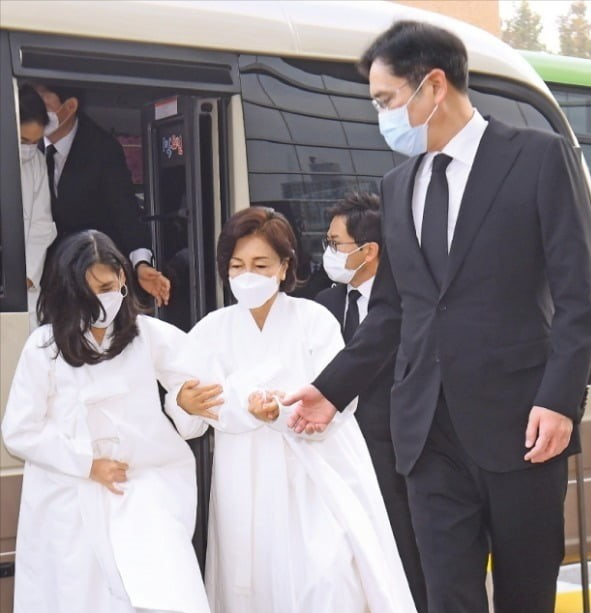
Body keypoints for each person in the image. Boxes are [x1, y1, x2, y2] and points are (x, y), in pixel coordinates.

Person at [284, 20, 591, 613]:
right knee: (445, 598)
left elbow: (579, 295)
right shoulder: (398, 186)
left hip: (522, 427)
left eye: (386, 99)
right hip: (426, 434)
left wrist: (558, 401)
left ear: (433, 85)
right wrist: (331, 389)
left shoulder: (537, 158)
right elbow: (396, 311)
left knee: (526, 597)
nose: (381, 116)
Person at [165, 207, 417, 613]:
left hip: (314, 471)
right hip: (243, 476)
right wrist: (184, 402)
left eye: (260, 264)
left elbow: (341, 397)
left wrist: (276, 410)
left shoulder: (314, 319)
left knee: (327, 579)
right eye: (237, 265)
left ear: (284, 267)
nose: (247, 274)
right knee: (252, 583)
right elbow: (189, 405)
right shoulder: (212, 329)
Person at [2, 230, 209, 613]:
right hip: (70, 499)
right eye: (88, 290)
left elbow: (197, 389)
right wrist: (86, 464)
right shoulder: (45, 347)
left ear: (123, 281)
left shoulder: (147, 336)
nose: (100, 298)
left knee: (160, 591)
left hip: (142, 490)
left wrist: (185, 404)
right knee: (77, 597)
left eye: (107, 286)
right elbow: (19, 430)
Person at [316, 191, 427, 613]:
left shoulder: (410, 305)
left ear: (369, 250)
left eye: (335, 243)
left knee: (405, 553)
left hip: (397, 454)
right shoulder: (325, 306)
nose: (327, 252)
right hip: (340, 452)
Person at [34, 83, 170, 306]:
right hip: (45, 279)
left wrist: (141, 265)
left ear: (69, 107)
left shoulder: (102, 149)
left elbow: (126, 214)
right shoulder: (26, 143)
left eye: (42, 103)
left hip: (92, 274)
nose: (33, 111)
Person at [18, 83, 57, 329]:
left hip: (25, 289)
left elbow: (42, 227)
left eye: (35, 141)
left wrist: (27, 276)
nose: (29, 148)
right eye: (23, 140)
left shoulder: (38, 162)